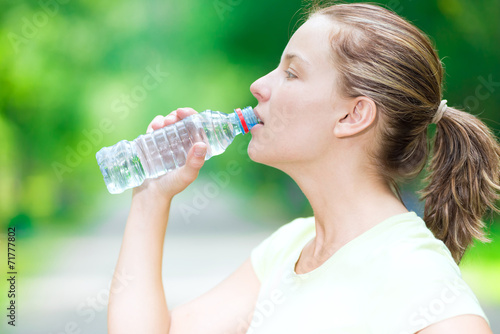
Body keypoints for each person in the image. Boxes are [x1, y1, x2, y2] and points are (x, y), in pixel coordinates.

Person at [107, 2, 499, 333]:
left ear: (353, 115)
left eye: (291, 73)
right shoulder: (289, 248)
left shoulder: (423, 285)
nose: (259, 85)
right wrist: (151, 196)